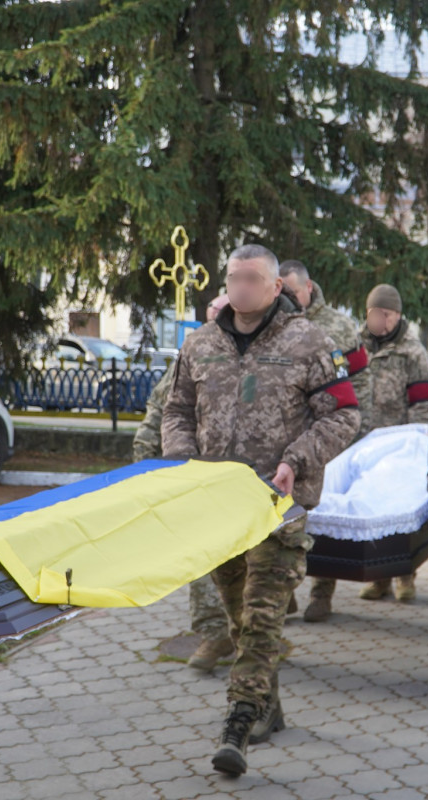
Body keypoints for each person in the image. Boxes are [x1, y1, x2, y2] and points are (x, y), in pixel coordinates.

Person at [162, 244, 359, 776]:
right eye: (234, 278)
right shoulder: (200, 344)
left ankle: (238, 723)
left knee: (264, 613)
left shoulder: (308, 341)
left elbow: (344, 414)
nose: (242, 287)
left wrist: (297, 459)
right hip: (218, 507)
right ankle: (268, 708)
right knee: (241, 619)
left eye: (253, 279)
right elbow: (176, 409)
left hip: (278, 507)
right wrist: (181, 461)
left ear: (277, 288)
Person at [132, 294, 234, 671]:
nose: (215, 324)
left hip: (249, 481)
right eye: (209, 317)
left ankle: (247, 635)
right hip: (199, 478)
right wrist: (144, 462)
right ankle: (214, 632)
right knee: (205, 555)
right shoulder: (190, 357)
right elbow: (162, 410)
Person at [278, 260, 373, 623]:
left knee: (325, 517)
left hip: (329, 438)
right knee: (284, 516)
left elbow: (361, 380)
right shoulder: (274, 322)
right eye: (280, 290)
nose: (286, 296)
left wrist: (352, 432)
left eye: (291, 290)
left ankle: (322, 591)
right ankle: (282, 591)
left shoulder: (339, 326)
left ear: (308, 287)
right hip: (285, 441)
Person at [356, 284, 428, 603]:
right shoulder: (355, 346)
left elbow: (422, 404)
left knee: (397, 512)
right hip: (361, 444)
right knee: (369, 511)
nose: (381, 320)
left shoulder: (412, 353)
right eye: (376, 313)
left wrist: (416, 444)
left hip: (398, 444)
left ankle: (405, 576)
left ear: (398, 316)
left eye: (387, 314)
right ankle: (378, 579)